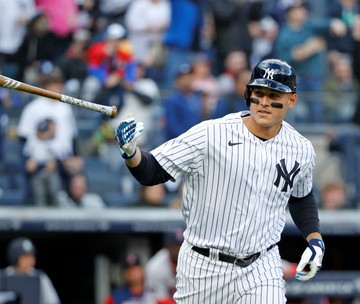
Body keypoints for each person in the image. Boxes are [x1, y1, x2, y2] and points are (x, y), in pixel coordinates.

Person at [114, 58, 325, 303]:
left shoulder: (301, 148)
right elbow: (152, 173)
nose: (265, 102)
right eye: (259, 92)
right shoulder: (211, 134)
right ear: (248, 94)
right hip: (204, 266)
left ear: (292, 100)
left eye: (274, 94)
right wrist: (131, 153)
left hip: (261, 265)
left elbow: (301, 196)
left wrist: (315, 240)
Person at [5, 237, 61, 304]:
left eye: (32, 256)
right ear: (14, 257)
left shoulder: (39, 276)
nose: (30, 260)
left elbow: (53, 301)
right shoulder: (5, 275)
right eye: (26, 257)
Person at [23, 118, 65, 207]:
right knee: (39, 194)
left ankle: (58, 214)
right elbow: (28, 163)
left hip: (50, 172)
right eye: (40, 131)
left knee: (55, 191)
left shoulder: (54, 142)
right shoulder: (32, 142)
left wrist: (55, 163)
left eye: (44, 131)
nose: (42, 134)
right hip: (37, 172)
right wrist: (32, 163)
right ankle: (40, 216)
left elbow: (59, 160)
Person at [144, 228, 184, 304]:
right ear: (167, 246)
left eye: (181, 244)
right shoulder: (155, 267)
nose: (179, 249)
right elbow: (161, 300)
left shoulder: (190, 261)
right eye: (175, 245)